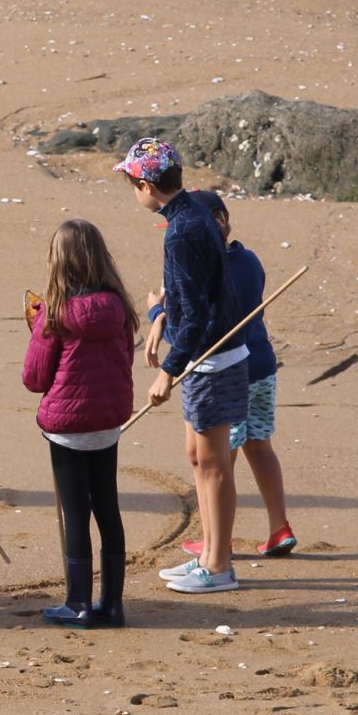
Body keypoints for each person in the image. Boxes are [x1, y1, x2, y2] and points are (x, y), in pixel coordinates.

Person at [114, 139, 249, 596]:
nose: (133, 191)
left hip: (213, 358)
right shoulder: (188, 214)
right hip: (202, 354)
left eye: (132, 183)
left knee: (213, 466)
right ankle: (208, 553)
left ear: (148, 186)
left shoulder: (183, 230)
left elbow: (195, 315)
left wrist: (166, 372)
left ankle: (219, 566)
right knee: (197, 457)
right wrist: (159, 320)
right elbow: (189, 294)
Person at [151, 191, 294, 559]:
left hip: (229, 367)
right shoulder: (248, 259)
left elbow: (198, 330)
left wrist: (157, 314)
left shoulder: (213, 267)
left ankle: (218, 539)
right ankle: (279, 527)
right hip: (260, 362)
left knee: (217, 460)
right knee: (260, 446)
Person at [22, 220, 138, 627]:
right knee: (107, 507)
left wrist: (37, 327)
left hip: (69, 426)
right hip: (107, 420)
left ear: (59, 263)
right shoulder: (119, 306)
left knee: (76, 512)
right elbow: (125, 360)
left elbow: (34, 378)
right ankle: (112, 604)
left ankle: (78, 603)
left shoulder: (55, 314)